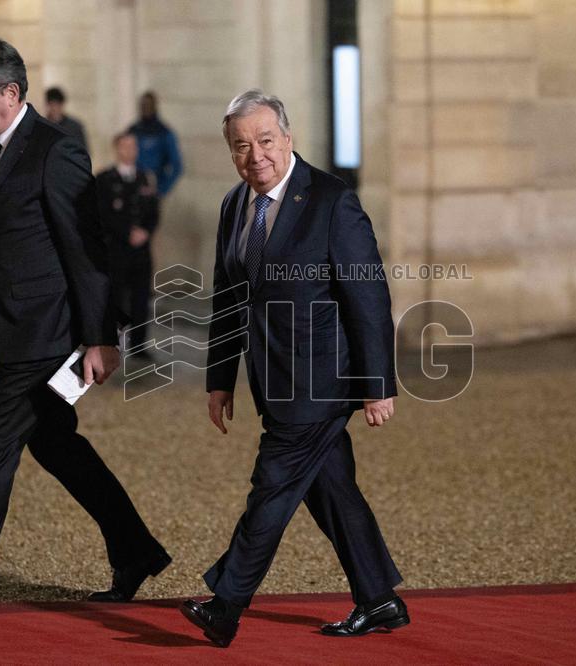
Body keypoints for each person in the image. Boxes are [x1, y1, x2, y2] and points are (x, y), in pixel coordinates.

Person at [0, 36, 170, 615]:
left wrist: (101, 336)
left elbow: (86, 248)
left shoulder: (57, 150)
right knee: (55, 443)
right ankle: (135, 549)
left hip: (48, 335)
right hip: (9, 329)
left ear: (11, 90)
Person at [179, 90, 407, 647]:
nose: (255, 155)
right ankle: (378, 599)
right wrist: (218, 379)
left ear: (288, 139)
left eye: (264, 141)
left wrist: (378, 385)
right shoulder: (236, 205)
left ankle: (226, 605)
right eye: (241, 146)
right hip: (271, 378)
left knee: (272, 487)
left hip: (322, 381)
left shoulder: (332, 200)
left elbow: (368, 297)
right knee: (332, 489)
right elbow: (229, 300)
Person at [96, 132, 160, 352]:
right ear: (117, 149)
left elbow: (154, 212)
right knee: (114, 296)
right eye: (125, 146)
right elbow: (102, 214)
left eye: (133, 146)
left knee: (141, 298)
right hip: (117, 249)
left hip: (141, 251)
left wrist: (145, 232)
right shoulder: (104, 179)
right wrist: (126, 233)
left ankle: (139, 344)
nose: (129, 150)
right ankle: (110, 342)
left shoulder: (145, 178)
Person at [127, 91, 182, 197]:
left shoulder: (164, 133)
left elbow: (177, 165)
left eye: (148, 105)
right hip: (132, 187)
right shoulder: (132, 131)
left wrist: (162, 189)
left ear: (154, 106)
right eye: (143, 105)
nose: (145, 108)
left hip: (154, 186)